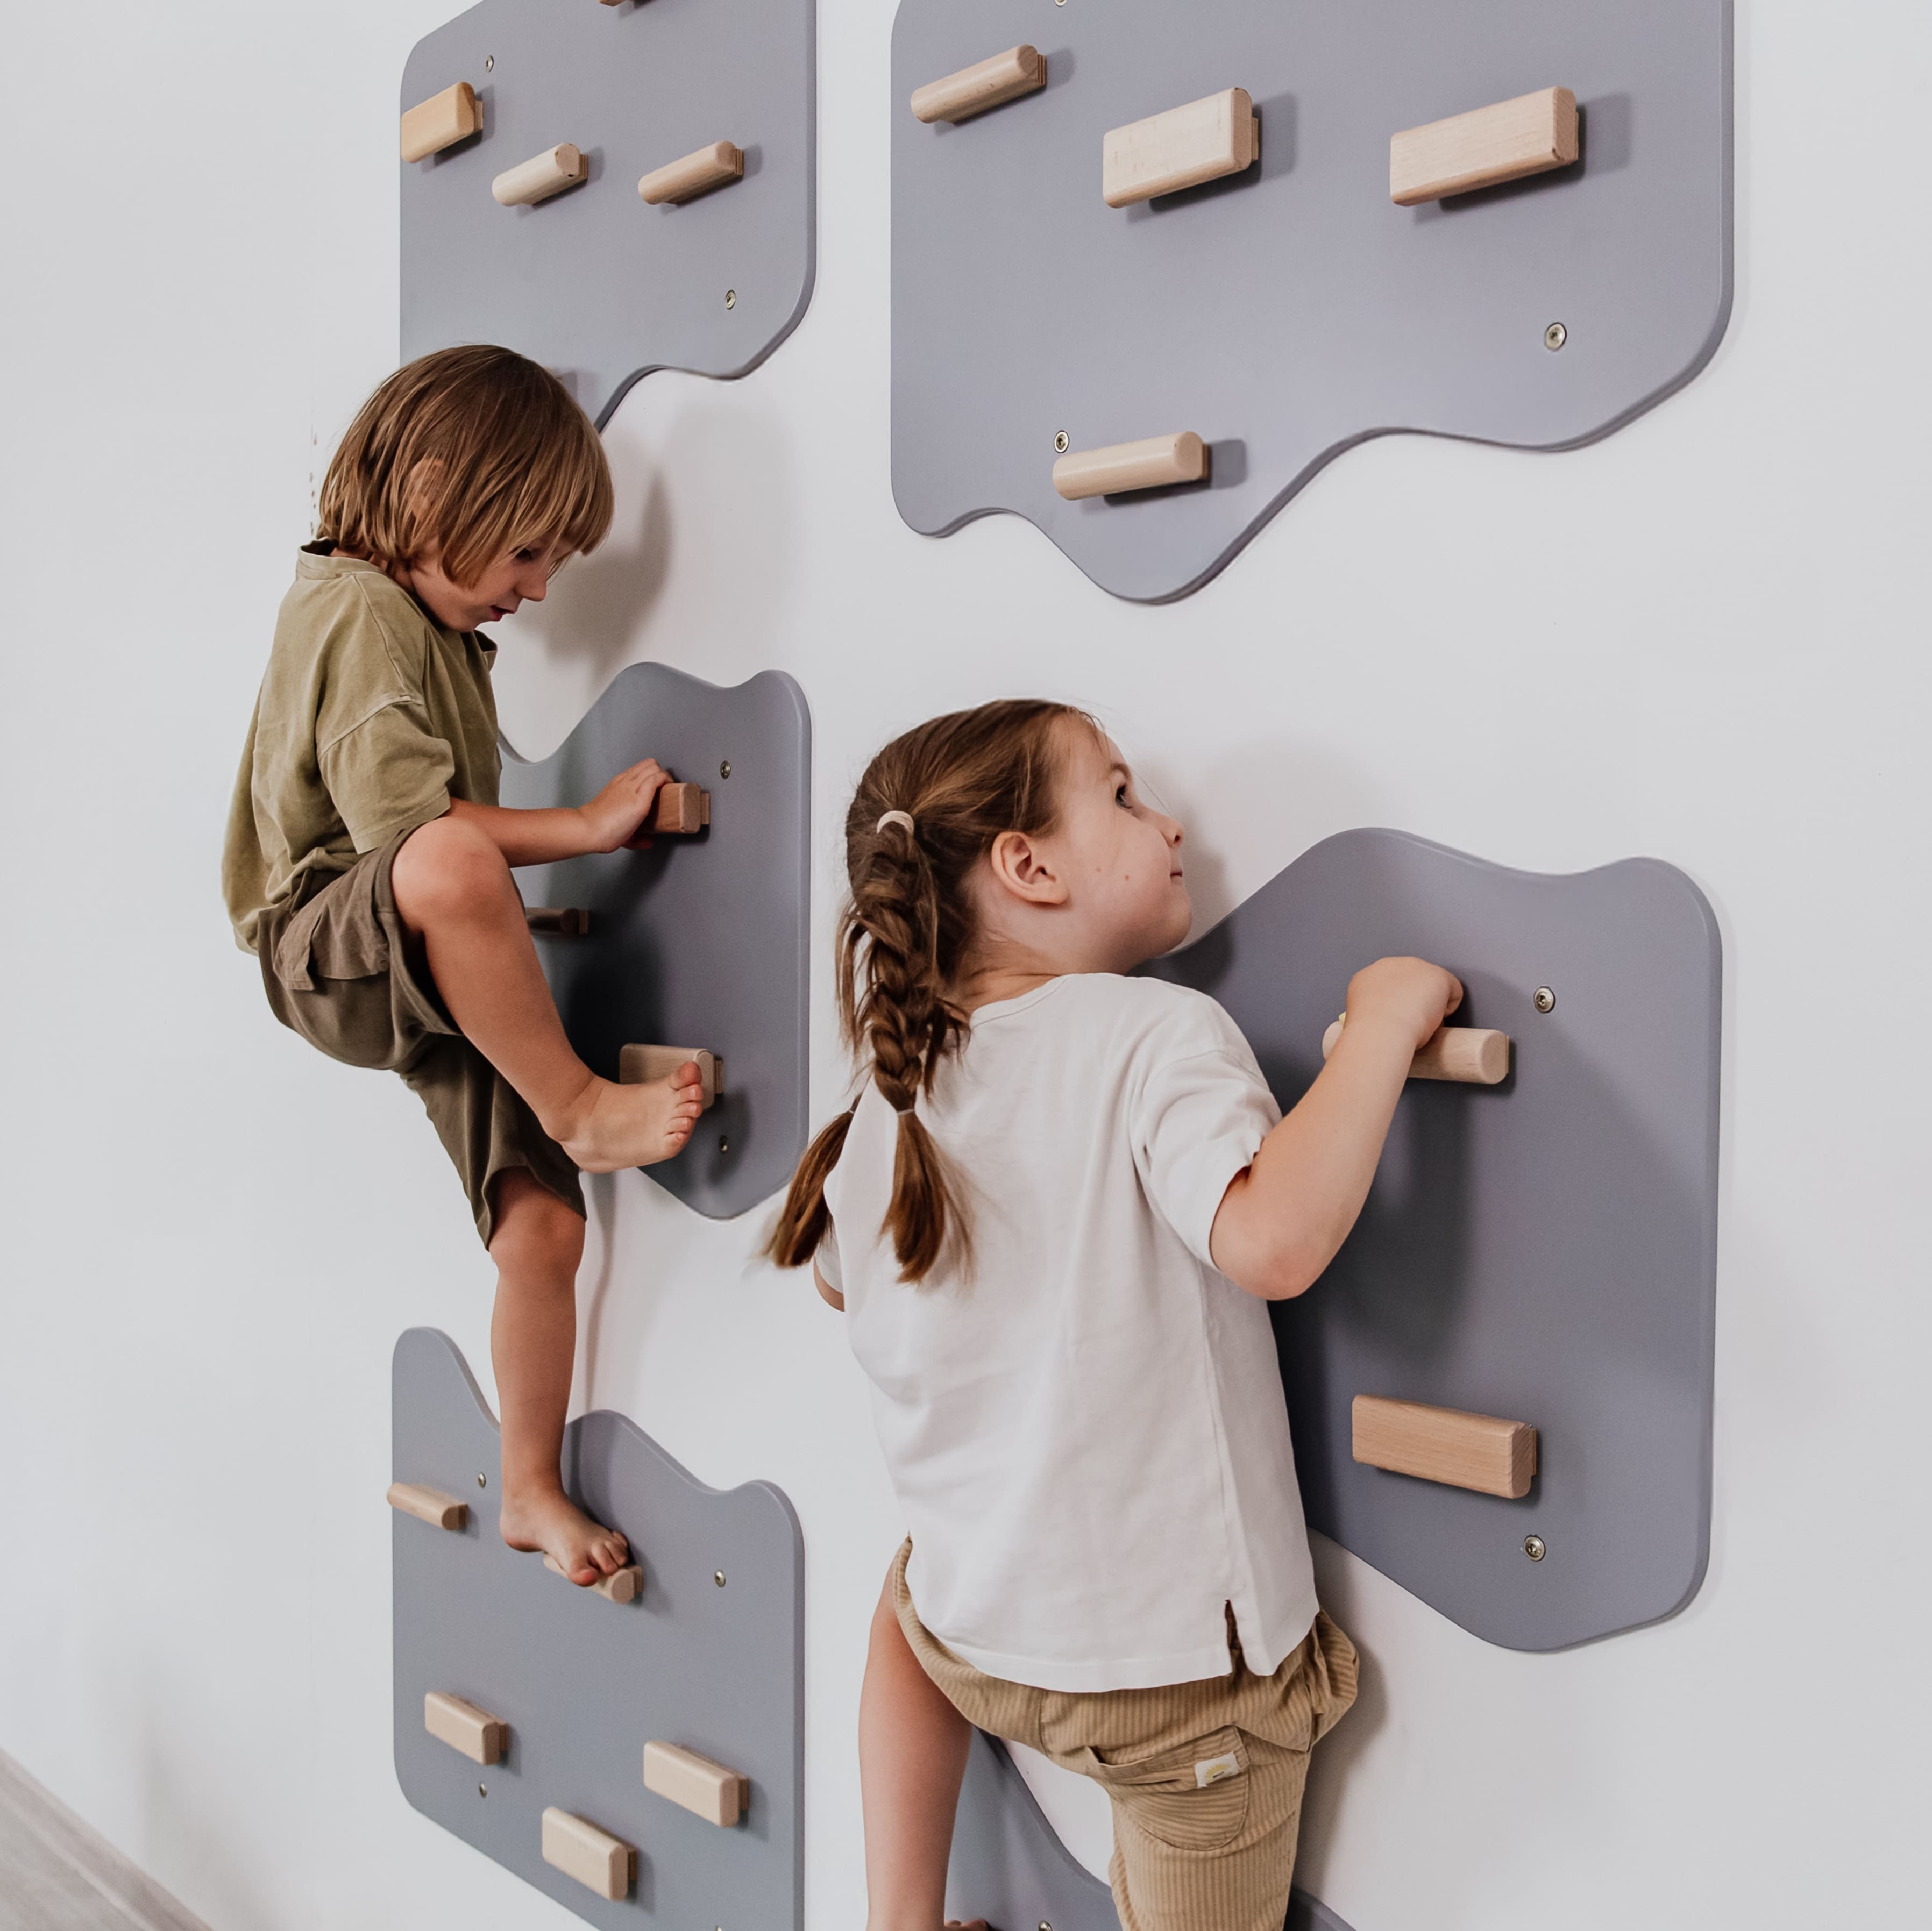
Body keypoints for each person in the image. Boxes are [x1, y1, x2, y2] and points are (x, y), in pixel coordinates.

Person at [769, 700, 1465, 1931]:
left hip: (975, 1637)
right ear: (1025, 867)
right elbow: (1274, 1238)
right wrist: (1380, 1023)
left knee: (906, 1600)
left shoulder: (899, 1083)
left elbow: (837, 1276)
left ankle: (896, 1920)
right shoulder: (1151, 1032)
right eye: (1124, 794)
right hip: (1172, 1699)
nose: (1169, 820)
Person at [223, 345, 706, 1588]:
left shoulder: (431, 622)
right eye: (529, 554)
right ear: (433, 495)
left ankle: (530, 1487)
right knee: (447, 863)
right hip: (322, 936)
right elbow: (411, 837)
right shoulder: (354, 607)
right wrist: (590, 829)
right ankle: (577, 1103)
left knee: (541, 1226)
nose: (537, 591)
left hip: (413, 945)